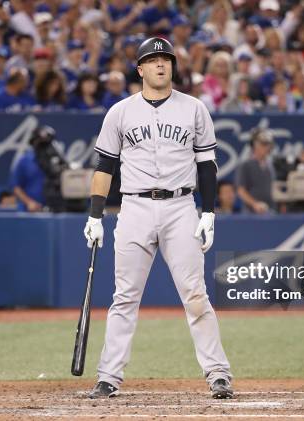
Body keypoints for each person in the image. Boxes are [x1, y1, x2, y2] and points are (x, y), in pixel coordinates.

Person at [83, 37, 233, 400]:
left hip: (181, 206)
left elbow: (207, 166)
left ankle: (218, 373)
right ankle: (109, 376)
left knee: (195, 294)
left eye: (165, 59)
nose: (160, 65)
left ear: (173, 67)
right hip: (133, 208)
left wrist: (209, 212)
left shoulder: (194, 108)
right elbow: (104, 165)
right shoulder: (120, 111)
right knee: (124, 298)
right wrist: (95, 215)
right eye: (152, 60)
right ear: (140, 69)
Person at [236, 128, 275, 214]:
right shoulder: (246, 165)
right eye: (263, 144)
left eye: (268, 144)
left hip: (270, 210)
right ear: (254, 145)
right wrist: (255, 204)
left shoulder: (270, 166)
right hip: (251, 213)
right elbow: (241, 190)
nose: (267, 147)